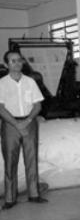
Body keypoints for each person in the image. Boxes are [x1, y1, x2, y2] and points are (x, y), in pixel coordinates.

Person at [0, 50, 46, 209]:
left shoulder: (30, 82)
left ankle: (34, 194)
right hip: (10, 125)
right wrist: (16, 123)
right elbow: (1, 108)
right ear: (6, 64)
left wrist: (27, 121)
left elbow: (37, 105)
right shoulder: (2, 83)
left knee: (31, 159)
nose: (17, 63)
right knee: (10, 161)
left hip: (29, 122)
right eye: (13, 61)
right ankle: (10, 199)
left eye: (19, 60)